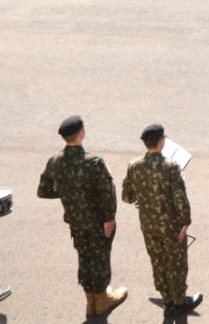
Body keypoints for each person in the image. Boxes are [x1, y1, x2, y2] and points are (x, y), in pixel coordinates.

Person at [36, 115, 128, 318]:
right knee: (100, 259)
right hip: (97, 222)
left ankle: (91, 303)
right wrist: (109, 218)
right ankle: (103, 300)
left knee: (85, 259)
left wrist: (68, 192)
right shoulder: (93, 162)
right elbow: (108, 193)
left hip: (76, 222)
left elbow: (43, 191)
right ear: (81, 133)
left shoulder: (55, 161)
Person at [121, 123, 202, 318]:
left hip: (148, 225)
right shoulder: (171, 166)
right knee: (177, 263)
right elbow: (180, 199)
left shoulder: (134, 166)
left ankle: (167, 300)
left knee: (158, 262)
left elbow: (127, 197)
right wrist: (186, 222)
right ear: (161, 142)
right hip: (172, 226)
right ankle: (180, 301)